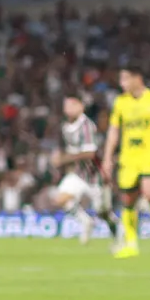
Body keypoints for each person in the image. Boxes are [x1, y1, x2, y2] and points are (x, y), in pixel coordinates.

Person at [101, 68, 150, 259]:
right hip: (128, 158)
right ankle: (131, 244)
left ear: (137, 78)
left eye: (125, 78)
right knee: (128, 201)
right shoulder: (120, 102)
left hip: (148, 155)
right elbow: (114, 131)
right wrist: (108, 157)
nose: (121, 83)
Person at [52, 95, 111, 246]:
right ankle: (85, 221)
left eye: (72, 104)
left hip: (95, 175)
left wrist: (64, 159)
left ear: (81, 107)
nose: (68, 108)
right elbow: (68, 149)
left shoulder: (87, 126)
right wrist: (58, 156)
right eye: (66, 105)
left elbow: (90, 154)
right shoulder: (66, 126)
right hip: (78, 174)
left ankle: (119, 234)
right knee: (60, 199)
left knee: (103, 212)